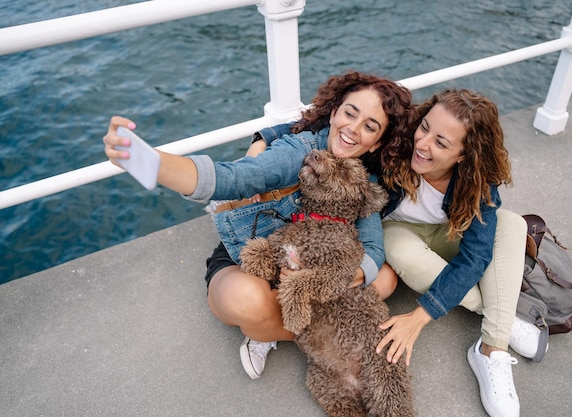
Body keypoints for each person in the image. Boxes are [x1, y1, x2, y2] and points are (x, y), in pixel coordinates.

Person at [103, 71, 414, 380]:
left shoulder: (364, 180)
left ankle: (273, 326)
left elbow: (373, 249)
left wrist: (324, 279)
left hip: (308, 276)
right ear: (334, 113)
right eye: (350, 113)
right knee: (248, 301)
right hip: (253, 259)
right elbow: (233, 178)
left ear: (377, 143)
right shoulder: (299, 152)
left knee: (384, 280)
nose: (353, 129)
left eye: (370, 126)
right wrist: (145, 160)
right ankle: (303, 338)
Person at [374, 89, 538, 417]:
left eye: (441, 143)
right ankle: (498, 317)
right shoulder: (396, 144)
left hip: (448, 234)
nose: (422, 144)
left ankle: (492, 347)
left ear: (464, 154)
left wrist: (419, 317)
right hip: (398, 233)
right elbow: (333, 126)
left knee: (512, 224)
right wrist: (267, 136)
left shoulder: (478, 178)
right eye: (425, 128)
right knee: (402, 251)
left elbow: (475, 256)